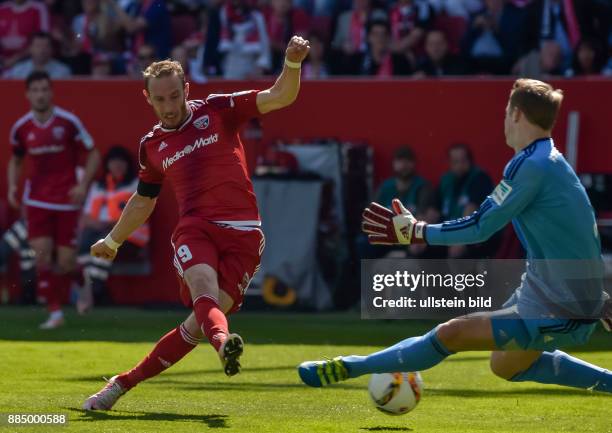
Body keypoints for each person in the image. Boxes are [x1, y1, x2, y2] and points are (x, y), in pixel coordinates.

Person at [298, 78, 612, 395]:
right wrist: (596, 294)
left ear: (516, 114)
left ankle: (350, 366)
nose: (504, 119)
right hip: (546, 292)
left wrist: (416, 231)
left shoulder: (532, 166)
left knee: (453, 333)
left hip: (561, 304)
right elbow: (581, 229)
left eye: (506, 111)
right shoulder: (548, 161)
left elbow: (480, 226)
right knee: (505, 364)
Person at [82, 35, 310, 410]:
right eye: (160, 99)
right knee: (203, 289)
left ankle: (121, 384)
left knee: (194, 326)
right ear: (148, 99)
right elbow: (143, 200)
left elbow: (279, 96)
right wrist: (114, 239)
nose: (169, 107)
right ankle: (224, 344)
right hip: (196, 227)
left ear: (186, 89)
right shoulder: (152, 145)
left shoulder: (219, 109)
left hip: (245, 235)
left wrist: (293, 63)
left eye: (175, 96)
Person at [7, 71, 100, 329]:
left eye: (44, 89)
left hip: (67, 200)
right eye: (35, 90)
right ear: (28, 94)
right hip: (36, 201)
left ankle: (82, 282)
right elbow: (15, 161)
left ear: (51, 92)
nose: (40, 94)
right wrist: (14, 186)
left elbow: (93, 154)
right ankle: (55, 313)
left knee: (66, 262)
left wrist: (83, 185)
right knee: (42, 257)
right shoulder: (21, 128)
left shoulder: (68, 122)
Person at [76, 146, 149, 313]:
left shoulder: (135, 184)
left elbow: (134, 215)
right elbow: (85, 218)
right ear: (107, 164)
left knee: (103, 242)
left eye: (121, 161)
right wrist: (102, 224)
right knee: (86, 243)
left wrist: (108, 225)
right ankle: (96, 290)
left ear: (128, 164)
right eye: (113, 161)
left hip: (130, 238)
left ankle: (91, 292)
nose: (117, 165)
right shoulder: (98, 186)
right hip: (100, 233)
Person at [4, 32, 72, 79]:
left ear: (52, 49)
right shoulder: (18, 70)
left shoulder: (63, 71)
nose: (42, 50)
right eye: (38, 46)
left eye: (46, 46)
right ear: (30, 48)